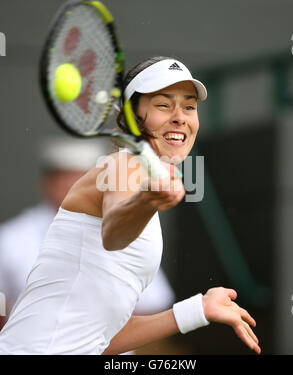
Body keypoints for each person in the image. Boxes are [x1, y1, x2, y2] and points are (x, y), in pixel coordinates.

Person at [0, 56, 261, 355]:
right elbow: (113, 233)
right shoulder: (124, 165)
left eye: (189, 106)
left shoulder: (136, 174)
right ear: (132, 114)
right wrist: (146, 201)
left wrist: (198, 309)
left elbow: (98, 339)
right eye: (163, 105)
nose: (180, 117)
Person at [0, 137, 175, 343]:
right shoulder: (11, 237)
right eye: (63, 177)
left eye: (83, 176)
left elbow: (153, 303)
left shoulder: (132, 229)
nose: (72, 184)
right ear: (46, 183)